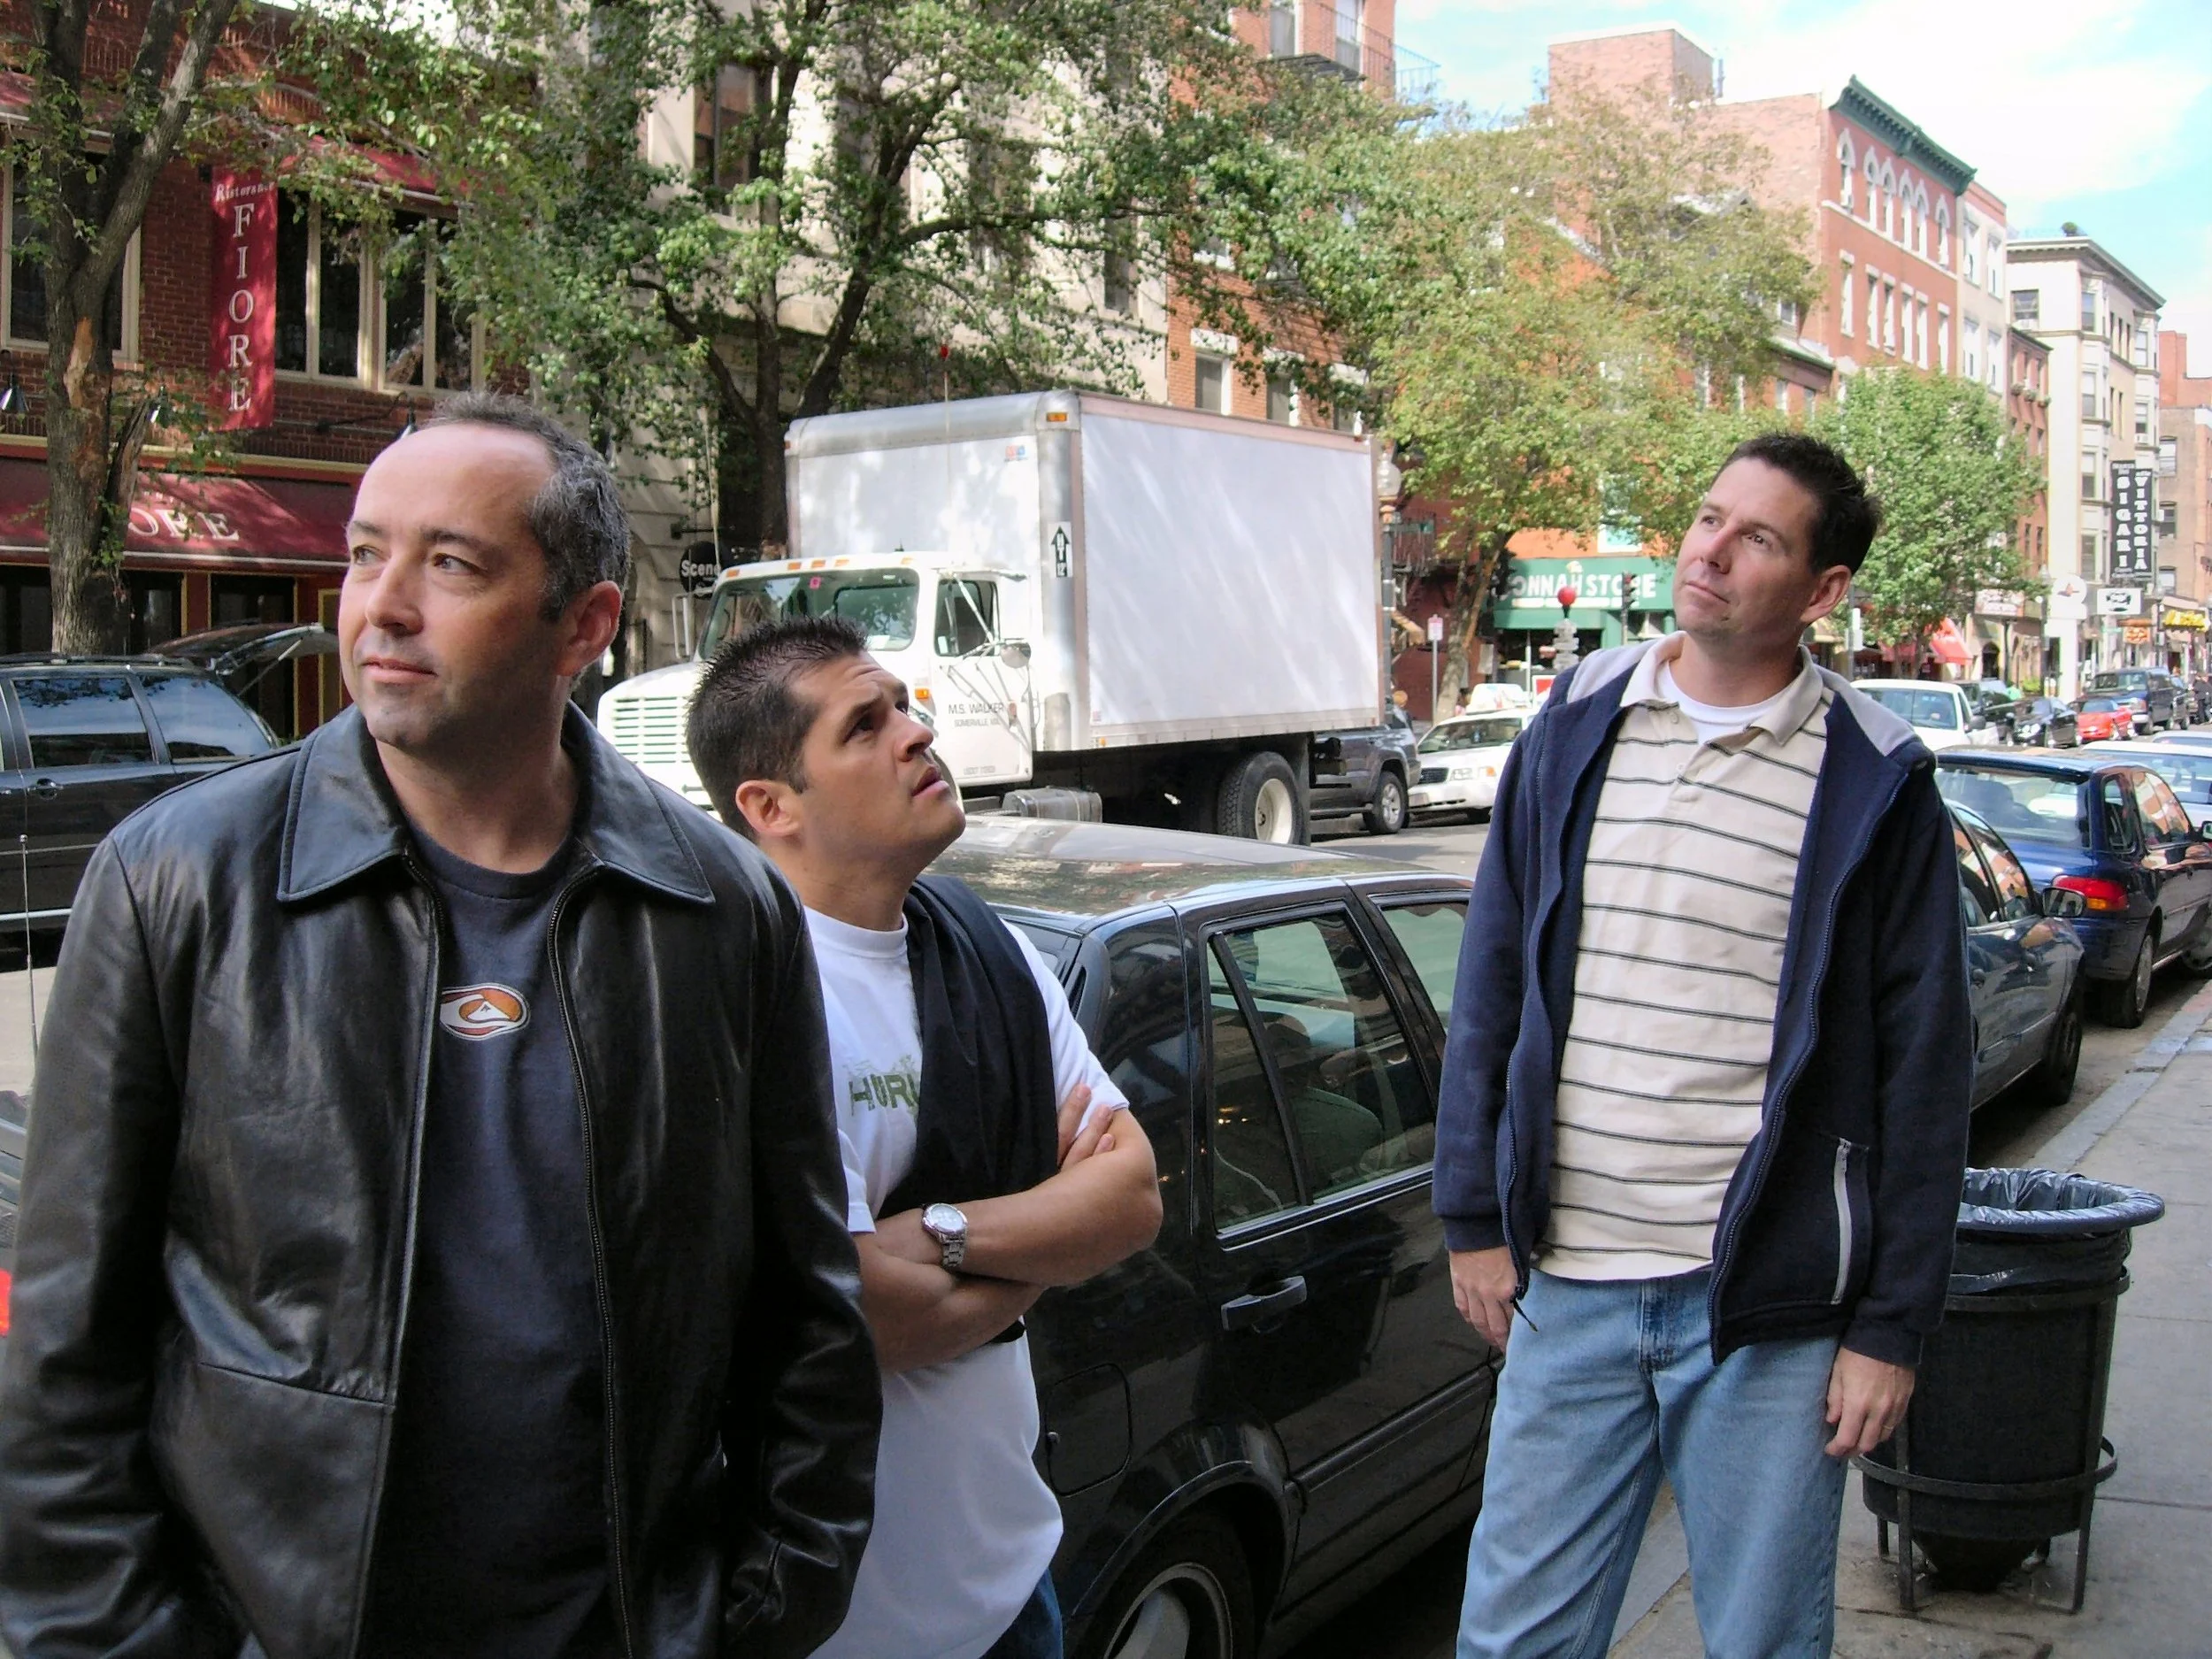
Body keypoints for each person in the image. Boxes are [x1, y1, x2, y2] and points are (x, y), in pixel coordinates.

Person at [0, 396, 879, 1658]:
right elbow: (67, 1352)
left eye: (451, 564)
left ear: (584, 625)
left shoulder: (720, 906)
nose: (382, 606)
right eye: (366, 555)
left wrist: (760, 1611)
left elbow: (807, 1315)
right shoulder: (174, 878)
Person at [1434, 433, 1972, 1658]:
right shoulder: (1576, 724)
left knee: (1763, 1640)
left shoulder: (1876, 779)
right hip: (1568, 1286)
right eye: (1708, 517)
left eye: (1758, 538)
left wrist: (1889, 1328)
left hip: (1769, 1317)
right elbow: (1493, 979)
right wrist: (1470, 1212)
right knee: (1513, 1638)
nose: (1711, 551)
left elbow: (1925, 1072)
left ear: (1823, 590)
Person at [687, 617, 1164, 1659]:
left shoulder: (989, 951)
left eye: (902, 705)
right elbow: (861, 1326)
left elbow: (1131, 1198)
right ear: (770, 807)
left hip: (1012, 1588)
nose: (917, 732)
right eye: (864, 726)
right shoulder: (740, 1000)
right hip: (825, 1626)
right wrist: (1046, 1248)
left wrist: (941, 1232)